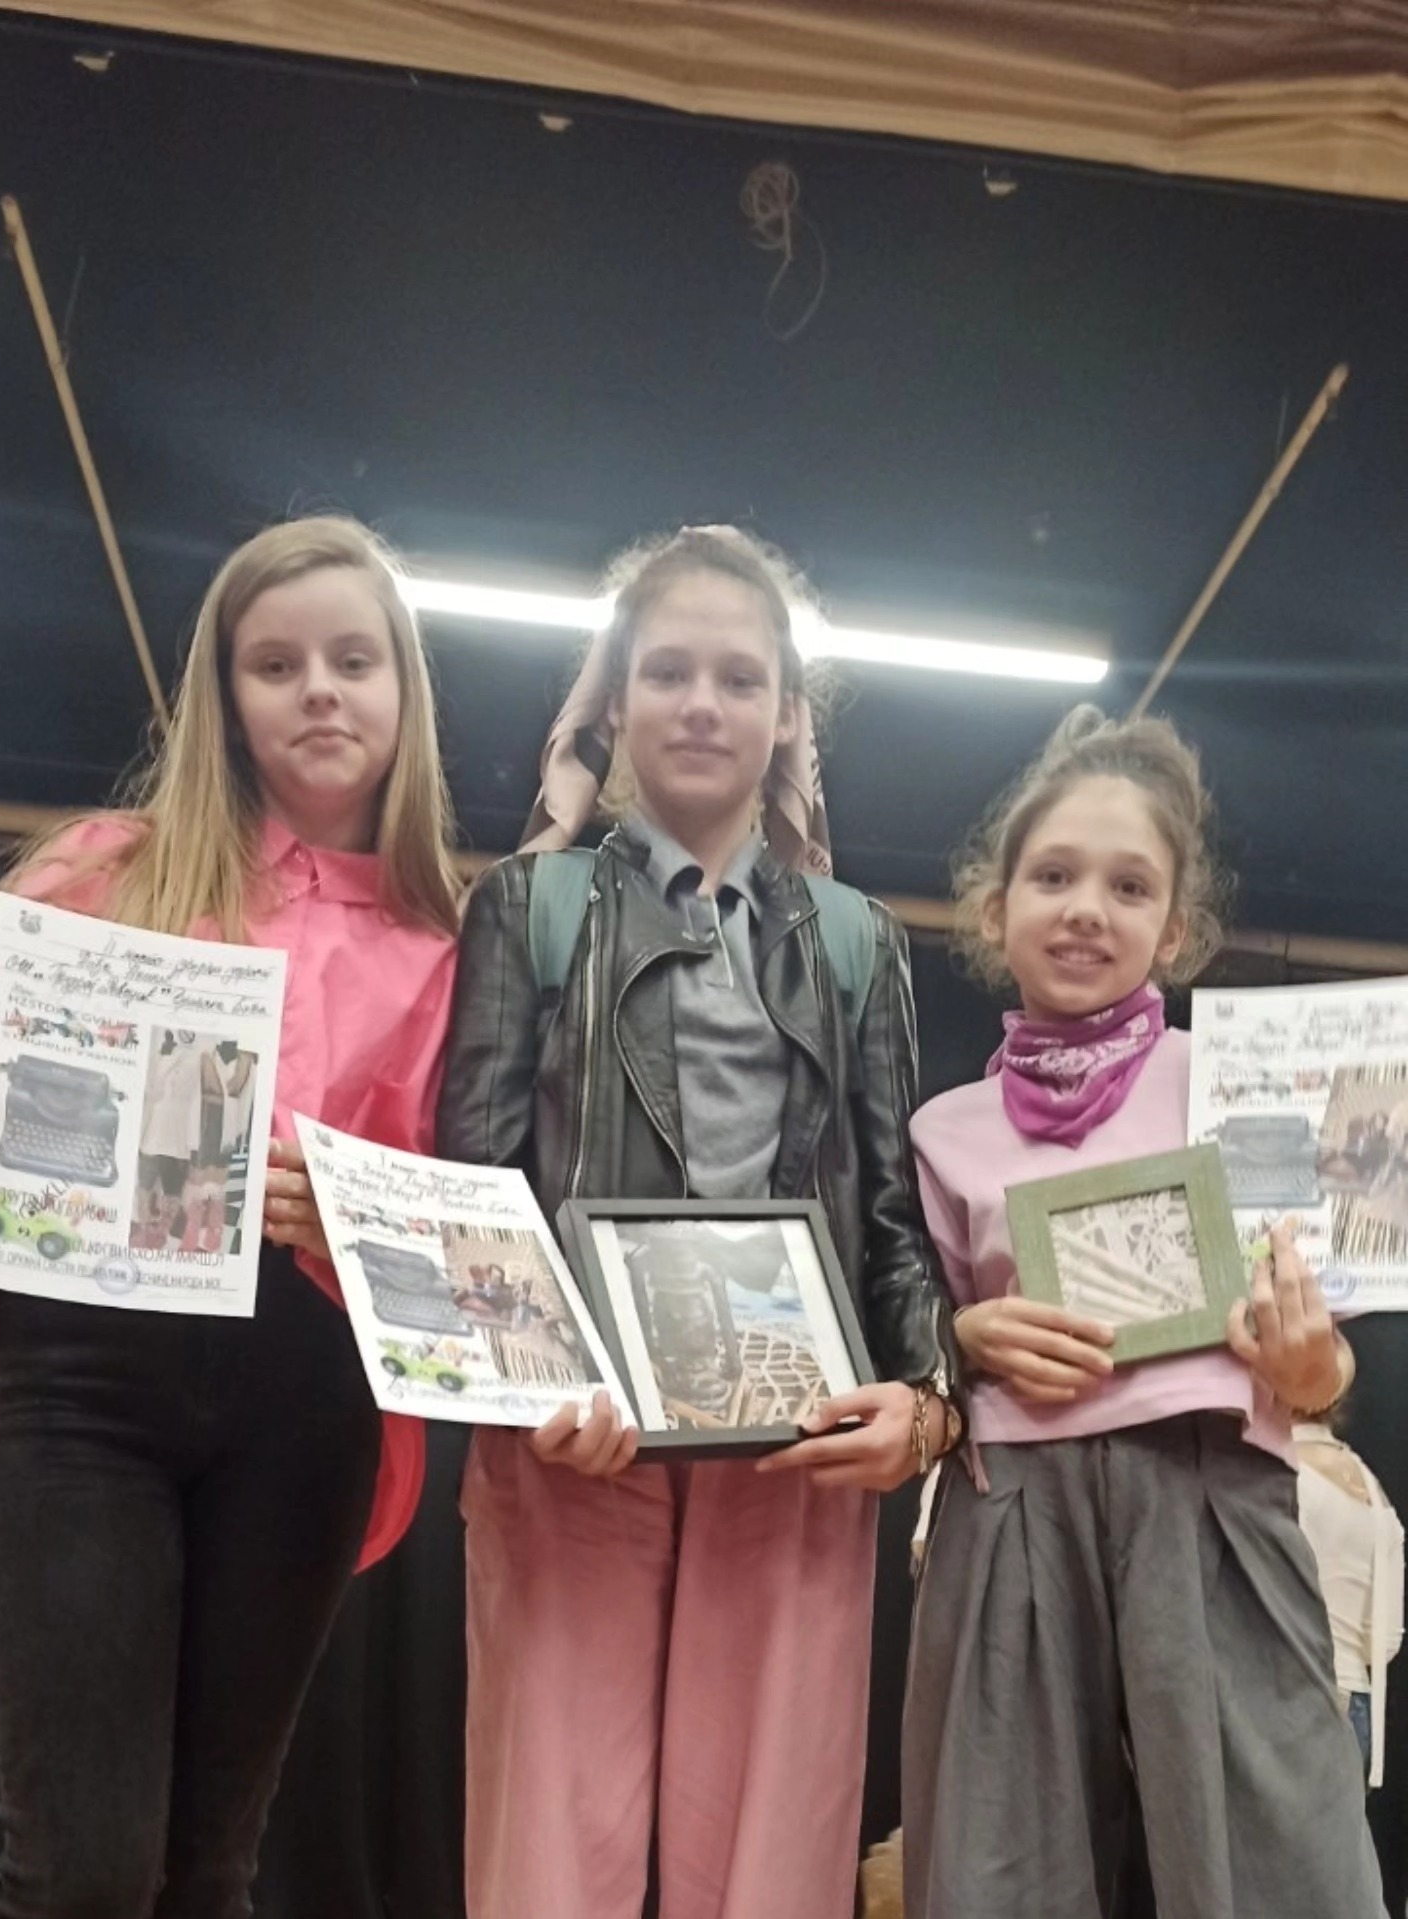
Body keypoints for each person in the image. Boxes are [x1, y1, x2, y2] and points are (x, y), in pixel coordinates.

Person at [436, 525, 963, 1919]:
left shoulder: (857, 938)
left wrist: (925, 1402)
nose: (701, 703)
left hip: (795, 1450)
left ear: (788, 715)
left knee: (773, 1864)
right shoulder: (530, 905)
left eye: (740, 677)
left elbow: (893, 1215)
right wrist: (535, 1388)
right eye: (667, 670)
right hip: (572, 1450)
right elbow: (473, 1195)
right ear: (613, 698)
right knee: (552, 1858)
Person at [0, 514, 462, 1919]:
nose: (319, 690)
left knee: (210, 1870)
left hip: (302, 1399)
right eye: (276, 663)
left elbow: (467, 1233)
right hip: (77, 1382)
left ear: (404, 689)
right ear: (225, 695)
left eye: (354, 659)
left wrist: (351, 1213)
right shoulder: (95, 870)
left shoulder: (450, 947)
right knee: (79, 1870)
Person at [903, 705, 1385, 1918]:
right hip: (1014, 1511)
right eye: (1053, 875)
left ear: (1174, 930)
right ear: (994, 908)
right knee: (1002, 1866)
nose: (1086, 908)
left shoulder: (1238, 1089)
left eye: (1129, 886)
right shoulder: (942, 1129)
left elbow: (1322, 1354)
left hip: (1211, 1497)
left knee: (1275, 1864)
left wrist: (1311, 1367)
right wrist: (961, 1342)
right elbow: (923, 1341)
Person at [1294, 1413, 1405, 1787]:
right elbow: (1385, 1643)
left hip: (1286, 1704)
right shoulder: (1373, 1492)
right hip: (1355, 1708)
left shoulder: (1275, 1476)